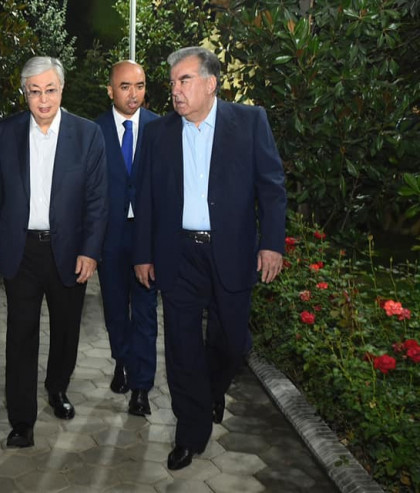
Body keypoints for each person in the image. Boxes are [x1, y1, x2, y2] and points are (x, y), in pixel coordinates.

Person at [133, 46, 286, 471]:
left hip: (231, 251)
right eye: (173, 83)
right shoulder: (158, 133)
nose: (175, 90)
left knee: (232, 343)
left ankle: (211, 390)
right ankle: (190, 432)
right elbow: (144, 197)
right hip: (178, 253)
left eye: (184, 80)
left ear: (210, 83)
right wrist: (143, 254)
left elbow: (271, 187)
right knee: (181, 347)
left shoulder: (250, 122)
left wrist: (272, 244)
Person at [0, 56, 107, 448]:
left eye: (50, 90)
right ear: (24, 93)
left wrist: (90, 251)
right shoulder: (6, 132)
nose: (43, 100)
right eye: (34, 91)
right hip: (20, 250)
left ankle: (57, 387)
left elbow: (97, 200)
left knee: (66, 329)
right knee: (20, 335)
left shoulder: (87, 135)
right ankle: (22, 420)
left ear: (61, 89)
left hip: (68, 251)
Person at [94, 61, 159, 416]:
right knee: (116, 309)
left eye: (140, 85)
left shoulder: (160, 128)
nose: (134, 94)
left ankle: (141, 387)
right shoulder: (94, 130)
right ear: (110, 90)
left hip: (148, 236)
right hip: (110, 236)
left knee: (146, 312)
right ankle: (122, 359)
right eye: (125, 86)